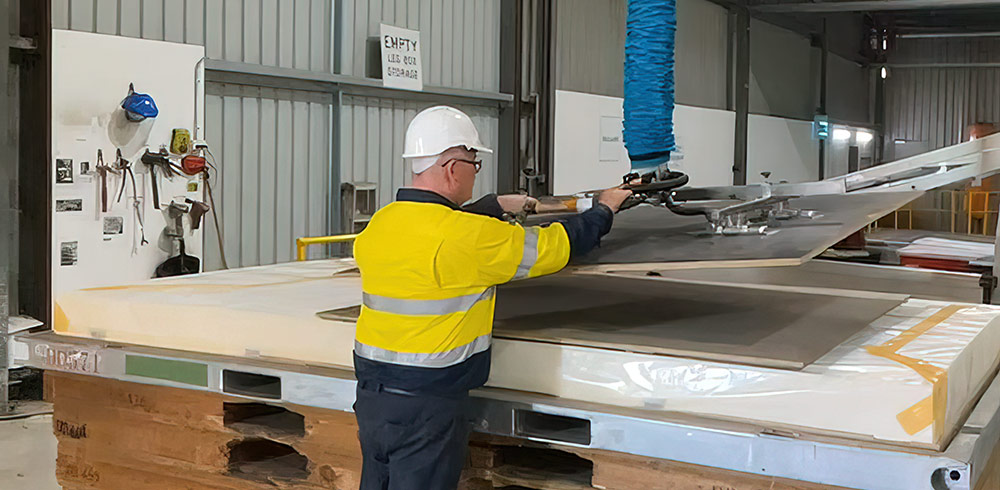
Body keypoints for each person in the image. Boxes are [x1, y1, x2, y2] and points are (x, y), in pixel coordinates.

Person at [352, 105, 632, 490]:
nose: (475, 172)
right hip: (429, 406)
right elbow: (556, 245)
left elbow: (436, 227)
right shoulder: (471, 238)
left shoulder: (381, 225)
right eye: (474, 164)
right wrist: (604, 210)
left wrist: (493, 206)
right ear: (453, 168)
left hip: (372, 397)